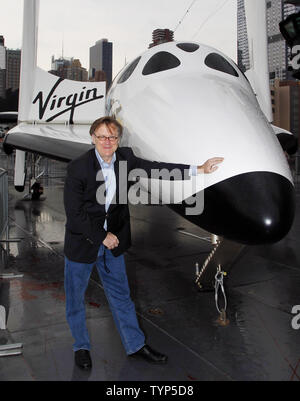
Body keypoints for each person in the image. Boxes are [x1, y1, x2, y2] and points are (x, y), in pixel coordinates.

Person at [63, 116, 224, 370]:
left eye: (112, 137)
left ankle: (135, 345)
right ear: (92, 137)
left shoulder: (126, 159)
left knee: (122, 297)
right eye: (102, 136)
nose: (107, 141)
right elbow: (75, 213)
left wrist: (199, 169)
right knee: (75, 299)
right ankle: (81, 347)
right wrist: (101, 236)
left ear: (118, 140)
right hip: (83, 243)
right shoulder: (79, 167)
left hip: (114, 243)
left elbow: (159, 169)